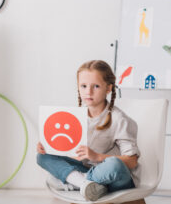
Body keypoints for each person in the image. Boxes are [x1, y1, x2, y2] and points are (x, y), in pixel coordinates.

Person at [37, 60, 140, 201]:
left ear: (108, 88)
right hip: (86, 170)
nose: (88, 92)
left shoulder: (119, 119)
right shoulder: (76, 116)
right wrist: (49, 148)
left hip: (113, 177)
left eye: (96, 86)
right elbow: (74, 154)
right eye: (83, 86)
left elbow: (132, 161)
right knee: (42, 156)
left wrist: (97, 157)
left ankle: (76, 182)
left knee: (114, 164)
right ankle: (84, 183)